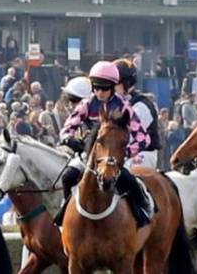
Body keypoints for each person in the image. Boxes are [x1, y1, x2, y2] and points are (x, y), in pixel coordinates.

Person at [57, 60, 154, 228]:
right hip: (87, 157)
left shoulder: (123, 106)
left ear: (113, 86)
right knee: (67, 177)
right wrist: (69, 139)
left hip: (113, 159)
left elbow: (143, 138)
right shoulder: (86, 104)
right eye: (96, 87)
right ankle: (65, 213)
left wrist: (125, 153)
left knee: (130, 182)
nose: (100, 93)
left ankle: (142, 212)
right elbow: (67, 128)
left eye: (105, 88)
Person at [112, 59, 163, 170]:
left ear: (127, 83)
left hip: (143, 153)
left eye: (114, 83)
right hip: (119, 153)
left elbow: (129, 136)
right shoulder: (114, 104)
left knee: (124, 173)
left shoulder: (142, 106)